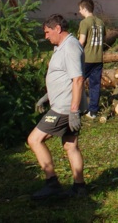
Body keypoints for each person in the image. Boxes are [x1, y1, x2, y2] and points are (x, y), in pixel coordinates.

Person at [28, 14, 87, 199]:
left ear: (57, 29)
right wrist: (46, 97)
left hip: (64, 108)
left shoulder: (70, 47)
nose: (46, 36)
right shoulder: (61, 46)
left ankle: (51, 183)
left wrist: (73, 111)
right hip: (64, 104)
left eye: (47, 32)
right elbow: (62, 77)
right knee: (70, 145)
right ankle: (80, 187)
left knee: (34, 140)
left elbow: (77, 79)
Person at [77, 0, 106, 120]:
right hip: (98, 58)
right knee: (95, 85)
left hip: (86, 58)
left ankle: (76, 108)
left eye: (80, 9)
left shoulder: (85, 23)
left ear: (84, 9)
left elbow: (82, 41)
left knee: (77, 82)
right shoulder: (101, 22)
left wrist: (75, 52)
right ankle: (93, 111)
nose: (79, 12)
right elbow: (103, 40)